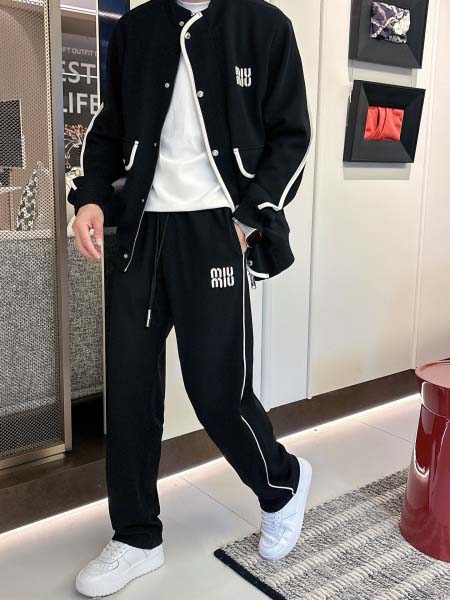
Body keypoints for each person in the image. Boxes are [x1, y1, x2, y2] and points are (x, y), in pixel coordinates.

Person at [69, 0, 313, 596]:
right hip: (140, 231)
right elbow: (110, 127)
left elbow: (292, 136)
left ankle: (282, 483)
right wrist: (91, 197)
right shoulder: (137, 29)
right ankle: (136, 536)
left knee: (217, 392)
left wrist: (250, 219)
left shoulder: (264, 26)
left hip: (215, 231)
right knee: (129, 391)